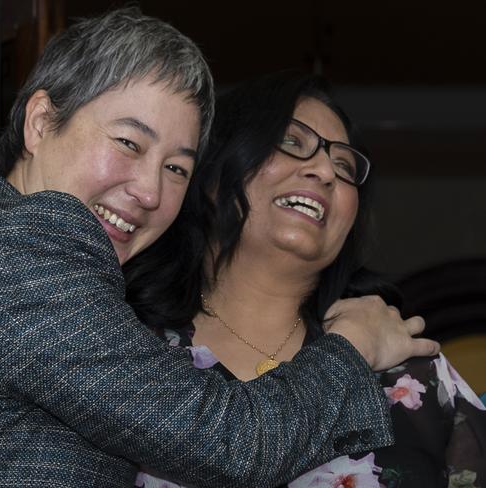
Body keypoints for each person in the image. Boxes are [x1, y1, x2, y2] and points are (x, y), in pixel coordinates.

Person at [0, 9, 439, 487]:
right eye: (128, 142)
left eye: (177, 168)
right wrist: (351, 346)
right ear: (41, 122)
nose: (150, 191)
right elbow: (231, 445)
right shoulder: (20, 249)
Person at [127, 71, 486, 487]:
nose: (325, 172)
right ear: (210, 169)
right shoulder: (123, 352)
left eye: (344, 165)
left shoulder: (411, 375)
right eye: (292, 142)